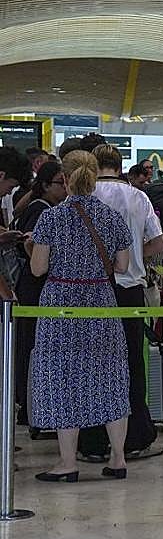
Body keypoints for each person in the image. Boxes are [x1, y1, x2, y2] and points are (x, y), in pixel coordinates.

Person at [28, 150, 133, 482]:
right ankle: (118, 458)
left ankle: (67, 462)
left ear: (64, 177)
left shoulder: (51, 218)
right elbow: (123, 266)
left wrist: (32, 246)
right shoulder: (112, 216)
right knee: (111, 377)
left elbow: (38, 269)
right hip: (101, 300)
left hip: (60, 303)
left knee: (62, 378)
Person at [82, 144, 163, 462]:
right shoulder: (138, 197)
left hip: (90, 290)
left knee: (91, 364)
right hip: (129, 289)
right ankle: (135, 437)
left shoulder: (84, 196)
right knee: (131, 364)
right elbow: (157, 241)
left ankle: (92, 440)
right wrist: (132, 260)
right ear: (120, 166)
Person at [13, 161, 67, 428]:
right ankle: (30, 407)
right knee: (32, 348)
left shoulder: (40, 208)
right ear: (45, 185)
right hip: (36, 289)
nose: (65, 187)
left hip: (33, 287)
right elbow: (32, 251)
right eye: (60, 182)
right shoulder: (42, 211)